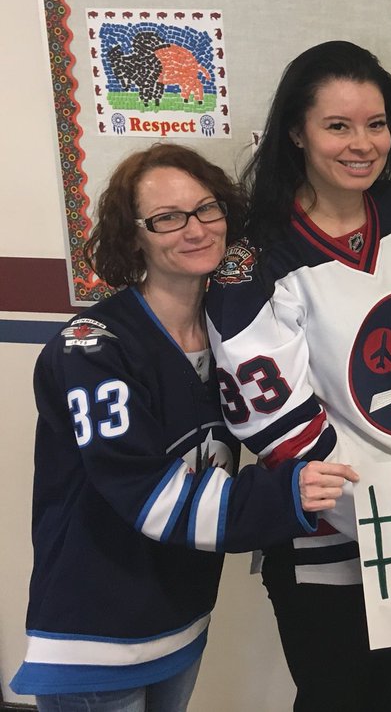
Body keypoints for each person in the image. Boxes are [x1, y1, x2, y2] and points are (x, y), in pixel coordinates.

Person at [10, 144, 354, 711]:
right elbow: (150, 495)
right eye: (167, 218)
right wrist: (285, 494)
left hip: (181, 620)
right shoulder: (92, 348)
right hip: (96, 636)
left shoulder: (232, 339)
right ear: (134, 235)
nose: (194, 229)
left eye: (207, 209)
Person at [205, 41, 391, 712]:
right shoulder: (256, 258)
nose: (362, 143)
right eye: (338, 126)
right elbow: (276, 425)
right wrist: (388, 518)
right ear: (296, 132)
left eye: (375, 124)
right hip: (329, 548)